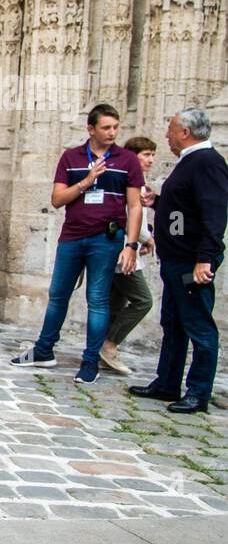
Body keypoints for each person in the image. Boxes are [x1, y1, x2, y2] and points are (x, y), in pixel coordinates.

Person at [12, 103, 142, 383]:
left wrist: (130, 246)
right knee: (58, 294)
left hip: (106, 239)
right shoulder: (71, 157)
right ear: (91, 129)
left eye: (116, 127)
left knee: (97, 299)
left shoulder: (127, 160)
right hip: (72, 236)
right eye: (106, 127)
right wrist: (86, 181)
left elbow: (135, 206)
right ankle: (44, 350)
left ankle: (90, 361)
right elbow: (57, 199)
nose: (112, 133)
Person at [129, 109, 228, 413]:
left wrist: (205, 260)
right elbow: (184, 213)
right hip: (176, 259)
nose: (167, 135)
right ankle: (167, 382)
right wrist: (158, 203)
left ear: (185, 132)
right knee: (173, 322)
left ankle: (198, 392)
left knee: (198, 325)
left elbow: (214, 215)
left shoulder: (207, 163)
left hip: (190, 263)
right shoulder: (190, 162)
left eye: (170, 129)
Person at [100, 136, 158, 374]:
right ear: (132, 156)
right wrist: (147, 239)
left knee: (115, 303)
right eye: (146, 154)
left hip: (126, 250)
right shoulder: (129, 183)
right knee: (143, 300)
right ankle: (110, 345)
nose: (151, 159)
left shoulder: (138, 184)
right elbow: (129, 216)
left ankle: (99, 348)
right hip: (124, 253)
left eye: (152, 154)